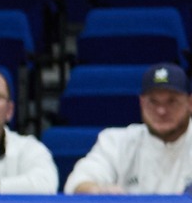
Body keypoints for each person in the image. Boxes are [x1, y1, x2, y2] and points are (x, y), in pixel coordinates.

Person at [66, 62, 192, 194]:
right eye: (153, 102)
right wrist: (97, 190)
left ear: (190, 103)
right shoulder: (117, 141)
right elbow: (79, 181)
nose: (161, 111)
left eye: (172, 101)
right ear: (141, 103)